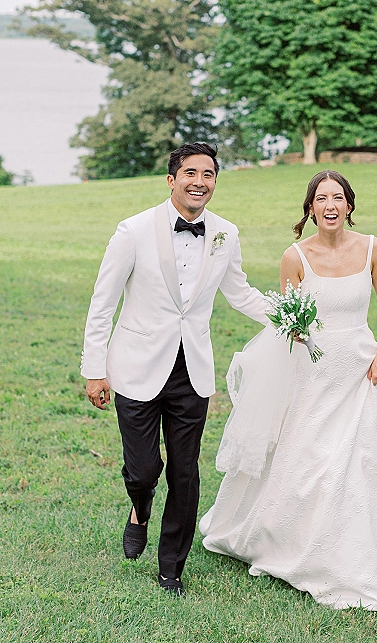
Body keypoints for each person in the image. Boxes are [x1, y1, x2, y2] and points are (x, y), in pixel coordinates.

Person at [200, 170, 377, 611]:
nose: (331, 205)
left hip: (363, 370)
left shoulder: (371, 247)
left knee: (358, 464)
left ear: (350, 205)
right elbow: (287, 317)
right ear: (311, 208)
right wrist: (296, 332)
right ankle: (290, 544)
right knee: (311, 465)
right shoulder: (295, 256)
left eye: (338, 197)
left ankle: (350, 562)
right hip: (314, 374)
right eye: (321, 198)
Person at [81, 143, 267, 596]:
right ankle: (139, 508)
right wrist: (94, 369)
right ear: (171, 179)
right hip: (134, 366)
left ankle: (171, 568)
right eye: (190, 173)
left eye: (208, 174)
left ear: (215, 182)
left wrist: (290, 319)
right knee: (144, 470)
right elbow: (103, 303)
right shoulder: (133, 230)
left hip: (192, 371)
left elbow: (240, 292)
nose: (199, 181)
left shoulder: (226, 233)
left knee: (184, 472)